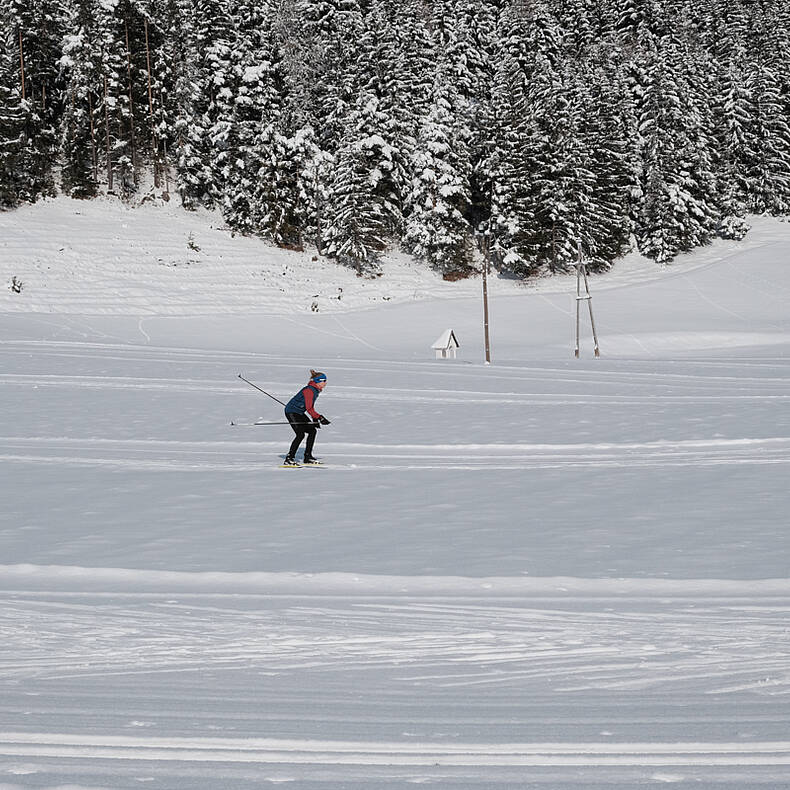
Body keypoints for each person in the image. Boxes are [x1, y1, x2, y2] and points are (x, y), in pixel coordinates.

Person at [283, 369, 331, 465]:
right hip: (291, 412)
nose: (326, 383)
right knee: (300, 434)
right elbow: (309, 409)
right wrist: (320, 417)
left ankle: (308, 457)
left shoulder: (315, 390)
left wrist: (315, 419)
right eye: (324, 381)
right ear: (318, 381)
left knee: (312, 431)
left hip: (299, 412)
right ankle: (289, 458)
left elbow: (310, 407)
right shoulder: (309, 390)